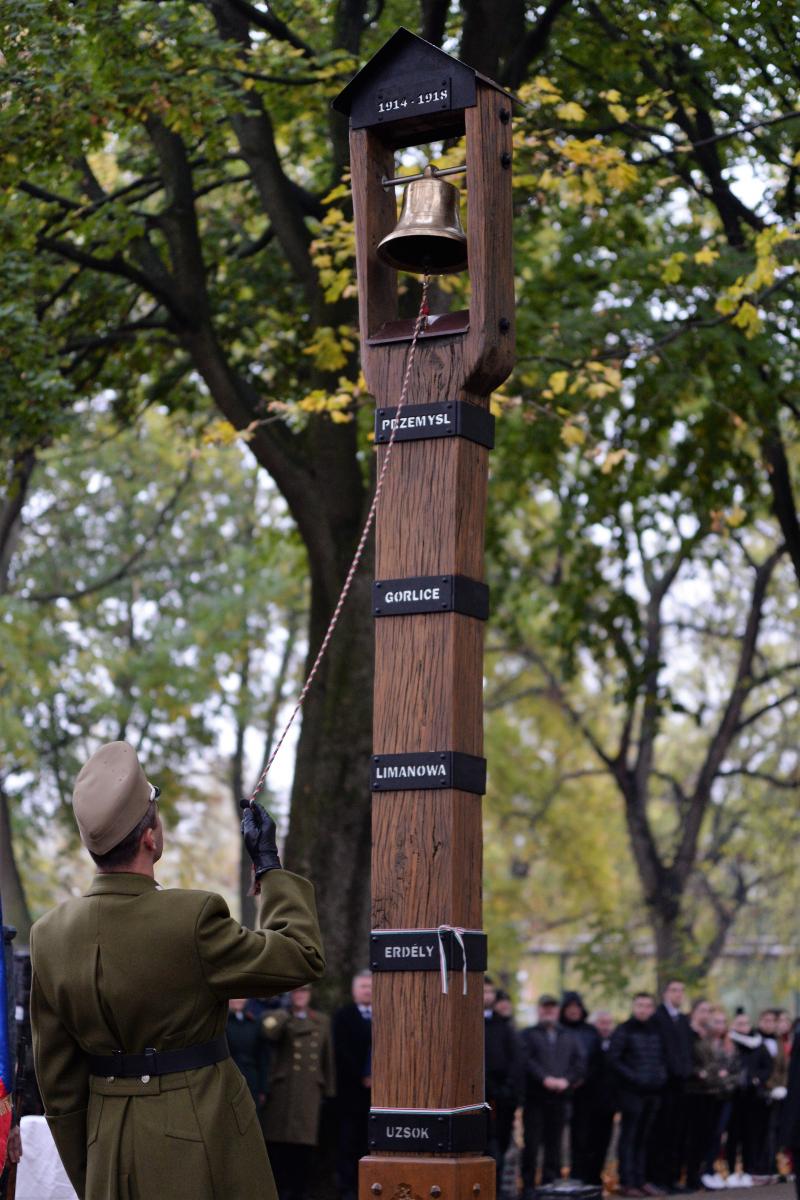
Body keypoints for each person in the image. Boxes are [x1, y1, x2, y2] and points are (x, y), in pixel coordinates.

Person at [29, 740, 324, 1200]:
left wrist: (94, 1170)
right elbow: (302, 956)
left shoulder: (48, 935)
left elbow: (58, 1084)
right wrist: (268, 866)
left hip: (107, 1148)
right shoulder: (192, 916)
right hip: (200, 1139)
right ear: (151, 837)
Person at [261, 984, 335, 1200]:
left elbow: (327, 1057)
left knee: (304, 1146)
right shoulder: (278, 1017)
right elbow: (268, 1032)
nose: (300, 996)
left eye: (303, 992)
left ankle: (301, 1191)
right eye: (295, 992)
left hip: (309, 1090)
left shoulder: (322, 1020)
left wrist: (329, 1089)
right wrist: (285, 1010)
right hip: (283, 1090)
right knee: (278, 1143)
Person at [520, 993, 584, 1196]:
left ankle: (550, 1185)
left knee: (554, 1146)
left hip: (560, 1099)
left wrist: (566, 1080)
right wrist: (544, 1078)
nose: (549, 1011)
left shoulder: (569, 1035)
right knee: (531, 1144)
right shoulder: (527, 1034)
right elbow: (526, 1061)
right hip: (535, 1099)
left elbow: (580, 1063)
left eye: (552, 1008)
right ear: (539, 1010)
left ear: (558, 1011)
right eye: (545, 1008)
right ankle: (529, 1186)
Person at [610, 991, 667, 1199]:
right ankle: (627, 1182)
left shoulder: (656, 1031)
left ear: (652, 1009)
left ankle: (641, 1180)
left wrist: (660, 1076)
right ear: (634, 1007)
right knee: (629, 1137)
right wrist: (635, 1078)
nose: (643, 1009)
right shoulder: (624, 1030)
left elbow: (662, 1058)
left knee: (644, 1138)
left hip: (653, 1093)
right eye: (639, 1005)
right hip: (631, 1094)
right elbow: (614, 1060)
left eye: (647, 1006)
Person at [684, 1005, 737, 1191]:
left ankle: (708, 1171)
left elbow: (734, 1070)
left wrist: (726, 1081)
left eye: (723, 1022)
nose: (720, 1025)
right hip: (704, 1095)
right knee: (702, 1136)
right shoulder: (700, 1043)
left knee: (716, 1135)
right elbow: (706, 1071)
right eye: (716, 1021)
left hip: (723, 1096)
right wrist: (714, 1077)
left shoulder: (729, 1045)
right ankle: (699, 1173)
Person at [647, 979, 693, 1192]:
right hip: (664, 1086)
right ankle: (659, 1178)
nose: (678, 994)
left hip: (681, 1085)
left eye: (681, 990)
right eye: (674, 990)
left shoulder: (683, 1020)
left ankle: (674, 1177)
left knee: (678, 1132)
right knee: (661, 1133)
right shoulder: (657, 1018)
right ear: (665, 993)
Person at [333, 970, 372, 1200]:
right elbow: (341, 1051)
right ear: (354, 990)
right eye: (363, 986)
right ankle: (347, 1188)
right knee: (347, 1141)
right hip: (350, 1092)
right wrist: (362, 1074)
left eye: (370, 986)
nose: (367, 990)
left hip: (378, 1095)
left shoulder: (385, 1014)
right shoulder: (344, 1015)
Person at [727, 1010, 773, 1186]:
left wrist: (757, 1079)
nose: (743, 1027)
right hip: (733, 1096)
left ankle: (748, 1170)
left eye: (746, 1023)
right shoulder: (730, 1042)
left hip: (754, 1097)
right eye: (739, 1024)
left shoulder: (758, 1044)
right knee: (733, 1136)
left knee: (750, 1136)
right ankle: (731, 1171)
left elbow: (767, 1066)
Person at [484, 977, 521, 1196]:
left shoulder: (504, 1025)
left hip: (500, 1098)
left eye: (490, 992)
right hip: (475, 1097)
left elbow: (515, 1061)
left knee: (499, 1146)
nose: (486, 996)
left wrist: (508, 1090)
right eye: (483, 991)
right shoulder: (464, 1021)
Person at [559, 990, 600, 1184]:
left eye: (577, 1008)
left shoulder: (591, 1032)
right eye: (570, 1008)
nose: (574, 1011)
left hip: (587, 1094)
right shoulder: (558, 1030)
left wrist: (583, 1078)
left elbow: (597, 1061)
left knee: (584, 1138)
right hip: (558, 1092)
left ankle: (582, 1177)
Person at [579, 1010, 618, 1187]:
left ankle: (596, 1179)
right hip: (587, 1103)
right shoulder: (586, 1043)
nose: (605, 1027)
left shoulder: (616, 1043)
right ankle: (584, 1179)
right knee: (587, 1143)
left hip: (609, 1102)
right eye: (602, 1023)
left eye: (608, 1023)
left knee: (604, 1143)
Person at [226, 997, 270, 1111]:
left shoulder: (254, 1023)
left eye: (241, 996)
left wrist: (263, 1088)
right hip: (229, 1080)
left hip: (252, 1080)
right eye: (233, 996)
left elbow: (262, 1058)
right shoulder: (221, 1025)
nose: (237, 1000)